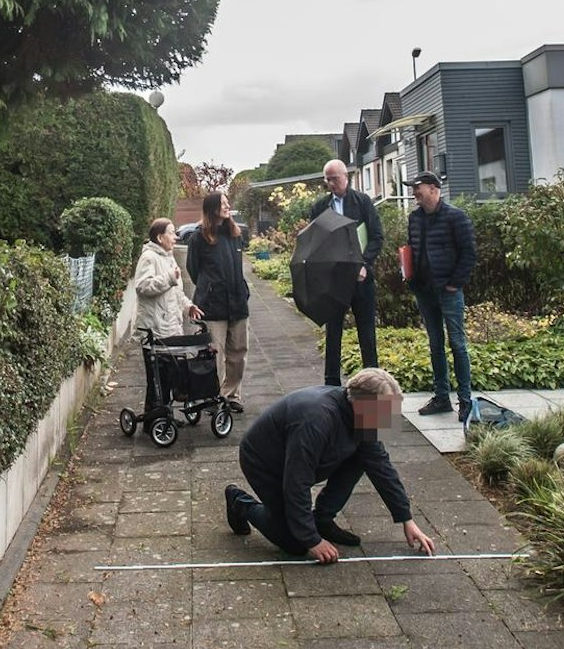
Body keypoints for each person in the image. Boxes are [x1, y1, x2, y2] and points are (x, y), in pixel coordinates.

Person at [222, 369, 437, 563]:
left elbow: (381, 466)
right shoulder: (316, 420)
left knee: (363, 455)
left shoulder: (362, 416)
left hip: (302, 457)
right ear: (361, 404)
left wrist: (406, 518)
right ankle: (240, 502)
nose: (386, 418)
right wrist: (311, 540)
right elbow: (297, 482)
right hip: (264, 462)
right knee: (294, 543)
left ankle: (322, 519)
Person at [403, 170, 479, 423]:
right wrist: (409, 273)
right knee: (435, 345)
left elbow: (469, 253)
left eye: (418, 188)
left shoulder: (456, 217)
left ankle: (466, 402)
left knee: (457, 344)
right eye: (413, 189)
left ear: (434, 189)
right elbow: (412, 249)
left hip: (448, 292)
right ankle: (442, 398)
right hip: (424, 291)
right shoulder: (414, 218)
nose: (414, 193)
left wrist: (454, 285)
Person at [304, 159, 383, 386]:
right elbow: (314, 243)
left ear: (345, 177)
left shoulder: (363, 202)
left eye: (334, 178)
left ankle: (373, 382)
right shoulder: (320, 207)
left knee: (367, 332)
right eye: (327, 179)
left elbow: (377, 237)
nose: (330, 183)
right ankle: (331, 384)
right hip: (334, 281)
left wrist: (364, 264)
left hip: (361, 278)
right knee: (333, 333)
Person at [184, 191, 249, 410]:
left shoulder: (235, 234)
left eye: (227, 202)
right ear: (212, 208)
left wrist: (242, 289)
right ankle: (213, 396)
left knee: (238, 352)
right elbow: (193, 270)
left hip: (238, 303)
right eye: (223, 203)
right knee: (214, 353)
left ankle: (232, 396)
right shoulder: (199, 238)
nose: (227, 206)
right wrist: (208, 288)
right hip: (213, 306)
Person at [132, 218, 195, 338]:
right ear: (160, 238)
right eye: (171, 233)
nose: (175, 237)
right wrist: (169, 278)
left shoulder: (169, 258)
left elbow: (177, 293)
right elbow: (143, 286)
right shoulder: (149, 257)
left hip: (172, 327)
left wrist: (188, 307)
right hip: (155, 331)